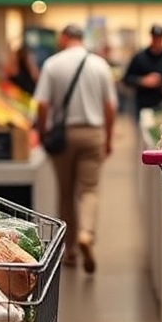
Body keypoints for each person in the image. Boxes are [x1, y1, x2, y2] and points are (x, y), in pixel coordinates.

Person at [33, 23, 117, 274]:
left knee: (66, 192)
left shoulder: (53, 64)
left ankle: (69, 251)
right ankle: (86, 234)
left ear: (65, 37)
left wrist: (43, 131)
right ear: (82, 38)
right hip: (93, 134)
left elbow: (42, 104)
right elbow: (110, 107)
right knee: (89, 189)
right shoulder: (100, 65)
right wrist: (108, 138)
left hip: (64, 136)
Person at [122, 24, 162, 117]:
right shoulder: (140, 57)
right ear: (151, 37)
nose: (157, 41)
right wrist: (143, 81)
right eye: (155, 37)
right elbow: (127, 79)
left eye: (159, 38)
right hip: (144, 105)